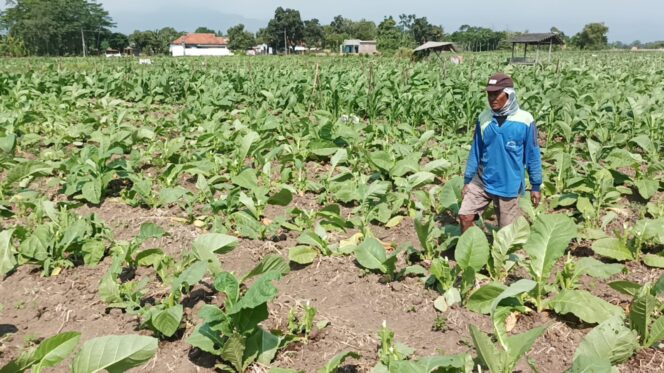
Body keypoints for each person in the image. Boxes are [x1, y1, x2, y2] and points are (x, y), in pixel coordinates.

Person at [458, 73, 542, 233]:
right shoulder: (484, 118)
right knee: (465, 216)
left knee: (506, 233)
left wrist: (536, 185)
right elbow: (476, 151)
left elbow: (533, 154)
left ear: (509, 94)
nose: (492, 98)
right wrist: (468, 179)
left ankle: (502, 256)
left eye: (497, 94)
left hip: (508, 184)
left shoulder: (525, 120)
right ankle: (473, 252)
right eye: (489, 94)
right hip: (482, 180)